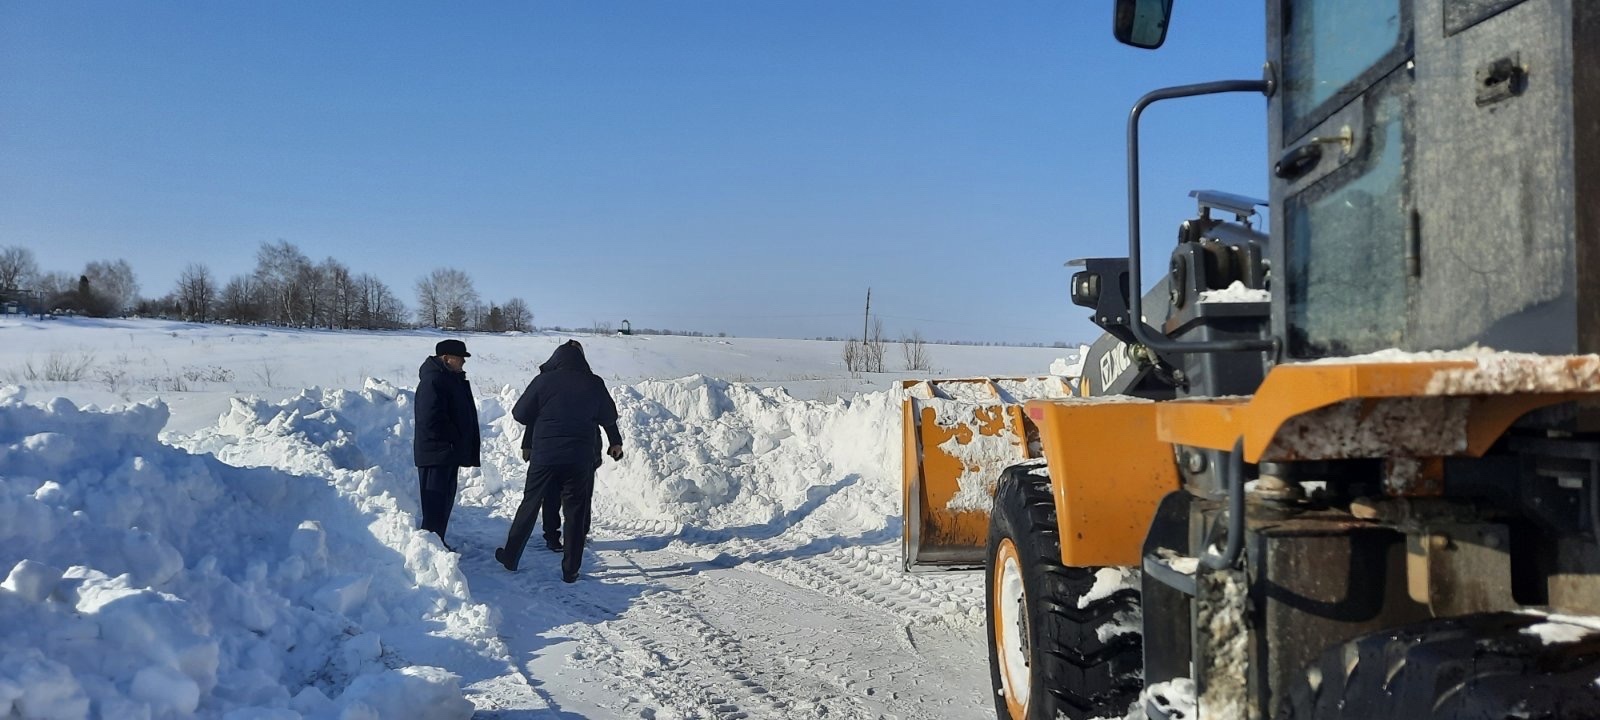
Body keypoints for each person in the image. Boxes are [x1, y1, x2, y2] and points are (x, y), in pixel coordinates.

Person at [496, 340, 623, 583]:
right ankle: (571, 569)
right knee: (576, 512)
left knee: (530, 504)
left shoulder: (543, 381)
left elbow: (520, 414)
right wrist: (614, 441)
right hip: (579, 458)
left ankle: (511, 556)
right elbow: (608, 416)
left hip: (545, 457)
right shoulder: (594, 383)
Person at [413, 338, 481, 551]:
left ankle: (437, 545)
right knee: (434, 505)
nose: (463, 362)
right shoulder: (433, 381)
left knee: (443, 504)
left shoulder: (449, 378)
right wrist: (453, 438)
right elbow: (429, 419)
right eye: (460, 358)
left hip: (447, 453)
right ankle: (429, 551)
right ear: (446, 358)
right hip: (436, 454)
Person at [519, 427, 565, 552]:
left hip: (553, 450)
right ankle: (553, 537)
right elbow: (531, 416)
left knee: (565, 497)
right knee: (552, 495)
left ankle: (570, 536)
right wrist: (527, 444)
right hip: (551, 450)